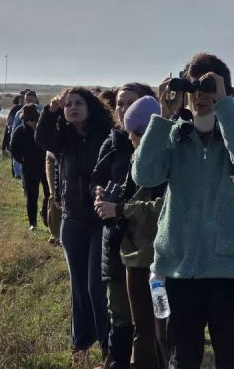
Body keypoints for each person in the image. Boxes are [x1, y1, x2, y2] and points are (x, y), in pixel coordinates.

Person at [132, 52, 234, 369]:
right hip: (179, 270)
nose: (201, 97)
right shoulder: (175, 133)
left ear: (226, 92)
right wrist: (164, 115)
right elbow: (144, 175)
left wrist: (224, 105)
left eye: (209, 88)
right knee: (181, 361)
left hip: (230, 271)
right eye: (196, 89)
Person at [35, 87, 114, 365]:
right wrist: (50, 110)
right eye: (68, 105)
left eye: (78, 103)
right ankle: (79, 346)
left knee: (96, 287)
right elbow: (41, 137)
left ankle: (108, 346)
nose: (72, 108)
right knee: (78, 288)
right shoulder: (63, 139)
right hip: (73, 221)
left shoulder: (105, 136)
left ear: (90, 107)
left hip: (100, 223)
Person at [90, 83, 156, 369]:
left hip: (151, 250)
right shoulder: (114, 142)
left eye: (131, 102)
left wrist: (120, 208)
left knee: (154, 321)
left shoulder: (162, 151)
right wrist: (102, 195)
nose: (123, 107)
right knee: (121, 313)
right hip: (119, 241)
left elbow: (162, 204)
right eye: (119, 102)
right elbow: (97, 179)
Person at [119, 96, 169, 369]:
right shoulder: (140, 157)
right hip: (138, 257)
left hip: (154, 262)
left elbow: (163, 206)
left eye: (134, 133)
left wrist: (121, 209)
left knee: (154, 329)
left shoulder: (162, 160)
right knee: (149, 328)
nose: (131, 138)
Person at [9, 104, 49, 232]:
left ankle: (45, 212)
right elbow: (13, 149)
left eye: (33, 120)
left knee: (49, 194)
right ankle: (33, 223)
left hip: (46, 167)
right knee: (32, 196)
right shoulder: (19, 131)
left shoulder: (43, 130)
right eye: (28, 120)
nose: (31, 122)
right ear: (24, 120)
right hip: (29, 168)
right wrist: (23, 160)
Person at [10, 90, 40, 180]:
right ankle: (19, 175)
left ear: (35, 99)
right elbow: (14, 129)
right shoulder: (20, 113)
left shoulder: (42, 110)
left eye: (31, 99)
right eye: (27, 99)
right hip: (23, 141)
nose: (29, 101)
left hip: (38, 143)